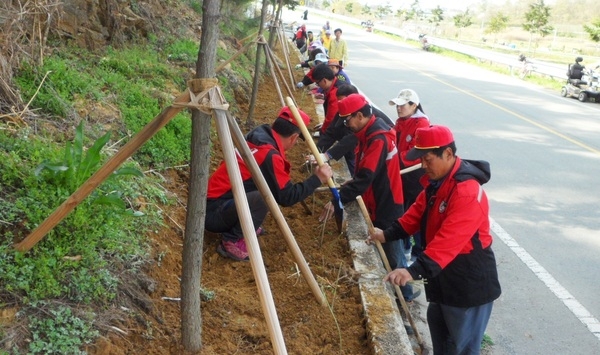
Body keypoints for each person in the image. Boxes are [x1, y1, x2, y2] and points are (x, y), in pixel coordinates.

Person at [368, 125, 501, 354]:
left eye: (427, 159)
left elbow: (448, 241)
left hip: (466, 282)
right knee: (442, 338)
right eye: (421, 160)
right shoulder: (437, 183)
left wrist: (411, 271)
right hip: (441, 276)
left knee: (461, 347)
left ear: (448, 154)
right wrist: (386, 234)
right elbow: (414, 215)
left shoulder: (466, 191)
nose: (423, 166)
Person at [320, 93, 419, 302]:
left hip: (388, 203)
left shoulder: (378, 138)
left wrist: (337, 199)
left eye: (348, 119)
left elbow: (365, 177)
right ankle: (402, 292)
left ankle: (405, 298)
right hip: (376, 199)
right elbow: (365, 171)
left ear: (359, 115)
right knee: (389, 253)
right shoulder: (367, 132)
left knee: (394, 256)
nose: (346, 124)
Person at [205, 107, 333, 261]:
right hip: (213, 214)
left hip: (212, 204)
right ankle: (232, 240)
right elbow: (287, 197)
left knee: (266, 189)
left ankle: (245, 223)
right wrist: (317, 178)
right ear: (293, 137)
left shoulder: (257, 136)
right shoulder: (269, 155)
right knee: (263, 197)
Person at [389, 89, 430, 260]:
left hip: (414, 175)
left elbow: (416, 151)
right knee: (403, 212)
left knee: (417, 214)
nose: (399, 109)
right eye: (397, 105)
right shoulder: (401, 121)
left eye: (402, 105)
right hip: (402, 172)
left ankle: (417, 254)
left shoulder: (421, 124)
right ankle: (405, 247)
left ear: (414, 105)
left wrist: (394, 161)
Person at [310, 63, 343, 134]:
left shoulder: (335, 93)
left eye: (317, 83)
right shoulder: (335, 83)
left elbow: (332, 119)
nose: (318, 86)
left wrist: (323, 131)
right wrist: (324, 124)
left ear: (324, 81)